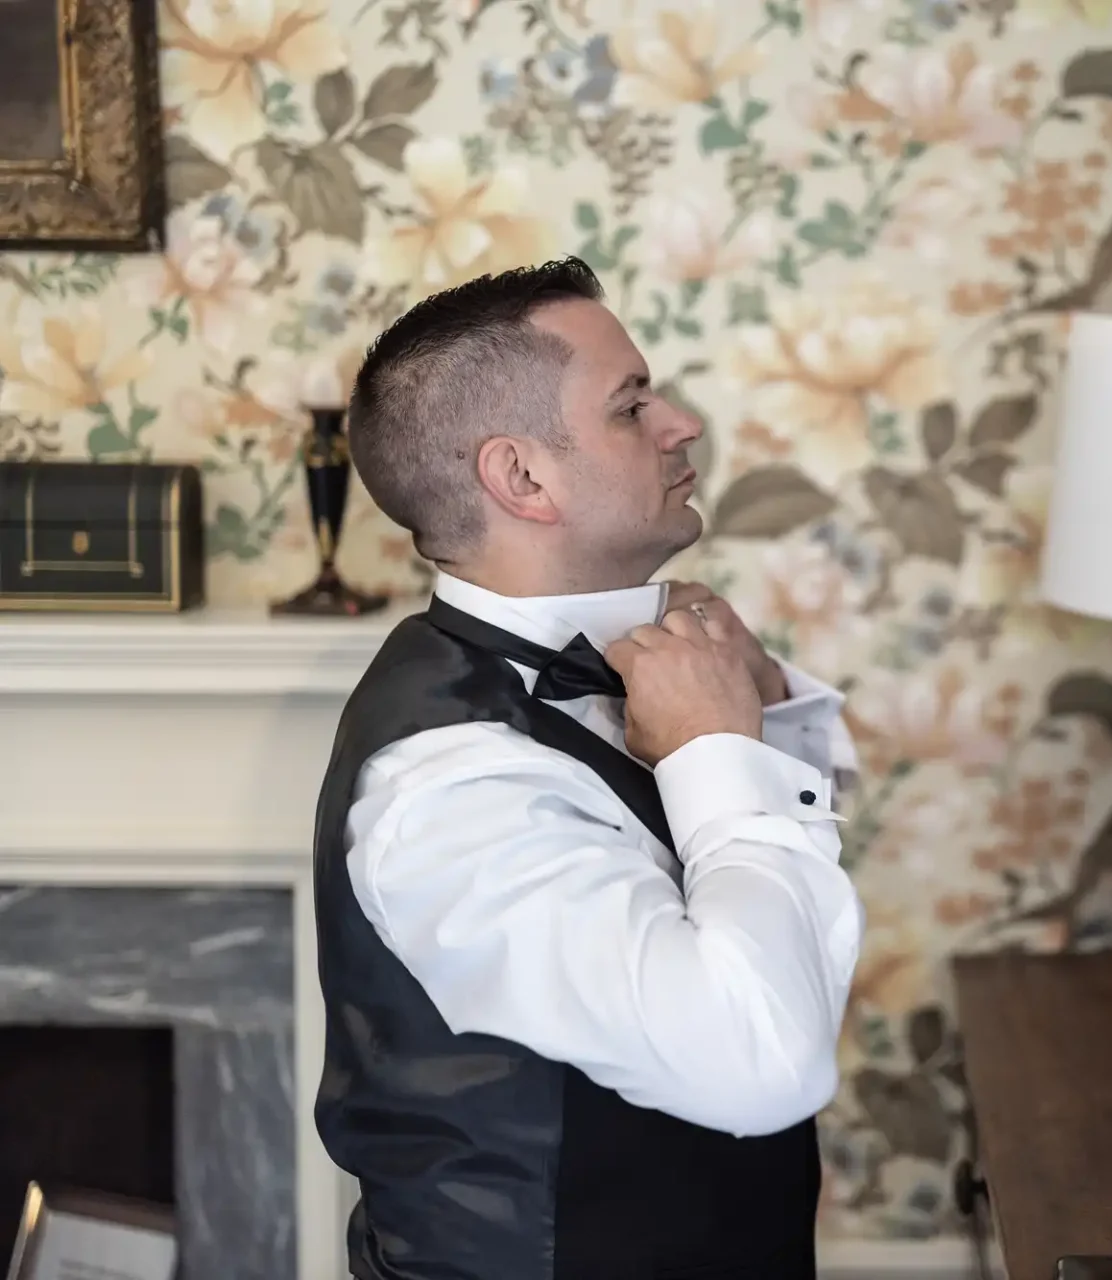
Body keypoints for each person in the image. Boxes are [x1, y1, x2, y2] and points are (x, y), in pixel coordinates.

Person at [310, 256, 863, 1280]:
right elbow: (761, 1062)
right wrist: (715, 751)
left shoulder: (638, 655)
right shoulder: (449, 783)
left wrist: (762, 713)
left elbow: (781, 921)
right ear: (521, 476)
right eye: (632, 404)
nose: (680, 423)